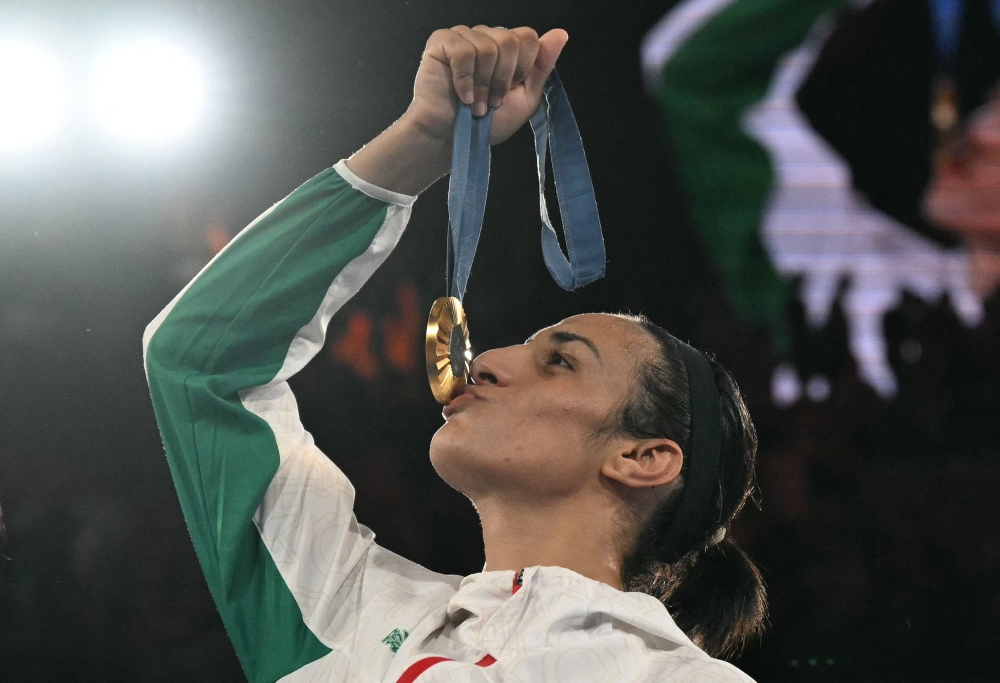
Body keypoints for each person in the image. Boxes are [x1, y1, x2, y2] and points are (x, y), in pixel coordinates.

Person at [143, 25, 765, 683]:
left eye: (561, 361)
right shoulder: (348, 610)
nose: (486, 359)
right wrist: (423, 144)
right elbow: (202, 363)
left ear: (643, 458)